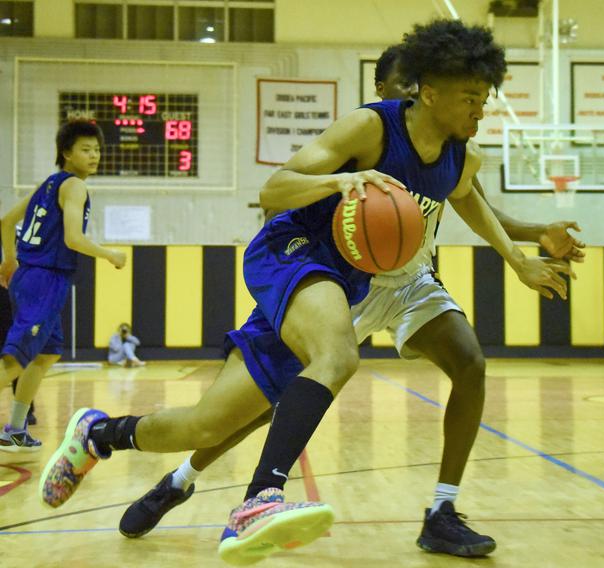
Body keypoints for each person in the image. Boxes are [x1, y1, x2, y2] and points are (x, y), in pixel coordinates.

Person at [41, 20, 572, 564]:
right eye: (471, 100)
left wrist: (517, 257)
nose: (480, 112)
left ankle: (100, 435)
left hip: (350, 279)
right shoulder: (370, 128)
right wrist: (337, 182)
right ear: (430, 93)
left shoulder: (460, 153)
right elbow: (273, 189)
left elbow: (467, 199)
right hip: (293, 250)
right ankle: (258, 501)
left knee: (207, 422)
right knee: (336, 356)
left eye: (484, 100)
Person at [0, 120, 126, 453]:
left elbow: (7, 221)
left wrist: (10, 260)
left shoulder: (48, 184)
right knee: (15, 360)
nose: (94, 155)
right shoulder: (74, 187)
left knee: (47, 353)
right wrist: (109, 254)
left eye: (97, 149)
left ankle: (14, 428)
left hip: (32, 276)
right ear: (66, 153)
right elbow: (73, 238)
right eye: (86, 149)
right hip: (45, 278)